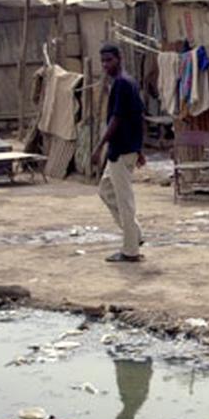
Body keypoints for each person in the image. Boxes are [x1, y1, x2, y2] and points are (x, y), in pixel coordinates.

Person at [91, 43, 146, 263]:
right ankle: (135, 234)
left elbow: (118, 118)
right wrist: (140, 148)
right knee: (105, 190)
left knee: (125, 201)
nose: (105, 65)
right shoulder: (126, 83)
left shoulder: (123, 84)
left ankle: (130, 250)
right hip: (123, 149)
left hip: (122, 150)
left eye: (109, 60)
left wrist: (99, 146)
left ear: (119, 59)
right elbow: (138, 117)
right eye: (103, 61)